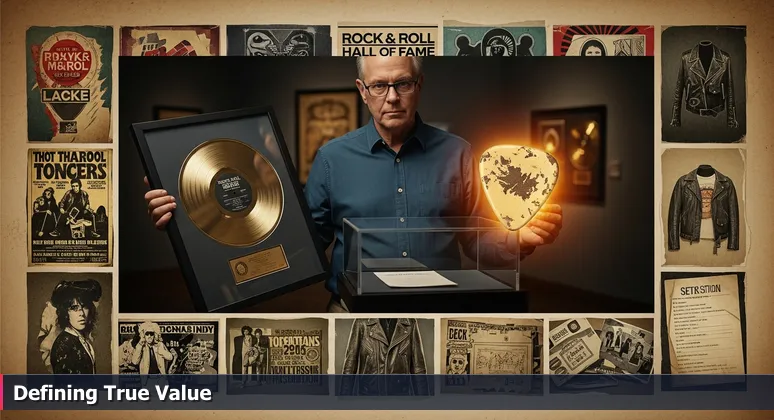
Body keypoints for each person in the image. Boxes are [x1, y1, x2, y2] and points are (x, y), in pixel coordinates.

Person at [144, 56, 563, 312]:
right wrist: (193, 223)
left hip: (438, 309)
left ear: (418, 86)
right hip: (351, 311)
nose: (392, 97)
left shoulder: (459, 153)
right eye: (380, 85)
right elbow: (304, 245)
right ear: (363, 91)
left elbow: (475, 243)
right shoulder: (332, 158)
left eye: (402, 83)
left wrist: (519, 237)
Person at [45, 279, 102, 374]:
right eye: (75, 308)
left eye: (84, 306)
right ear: (66, 312)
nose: (81, 313)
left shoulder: (81, 339)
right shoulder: (64, 344)